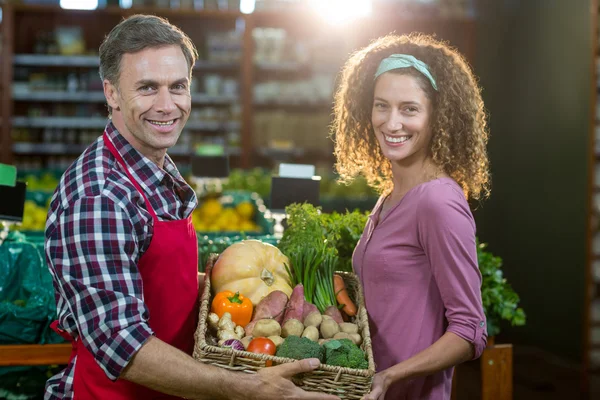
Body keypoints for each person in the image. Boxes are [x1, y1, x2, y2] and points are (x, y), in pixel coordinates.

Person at [44, 14, 338, 400]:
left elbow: (161, 282)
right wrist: (246, 388)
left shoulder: (153, 166)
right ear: (111, 93)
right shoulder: (100, 196)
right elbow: (123, 348)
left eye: (178, 87)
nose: (167, 106)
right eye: (147, 88)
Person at [331, 33, 490, 400]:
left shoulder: (437, 202)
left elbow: (470, 331)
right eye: (381, 105)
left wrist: (389, 377)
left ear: (438, 116)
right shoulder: (391, 193)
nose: (391, 122)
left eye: (409, 109)